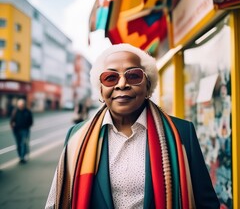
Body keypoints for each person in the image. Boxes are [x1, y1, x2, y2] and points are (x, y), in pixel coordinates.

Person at [45, 43, 219, 208]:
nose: (122, 84)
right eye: (110, 78)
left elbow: (206, 203)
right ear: (100, 90)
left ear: (147, 85)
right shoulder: (76, 136)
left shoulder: (182, 133)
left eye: (133, 75)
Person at [10, 98, 33, 164]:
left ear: (24, 105)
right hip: (16, 130)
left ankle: (23, 157)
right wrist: (12, 125)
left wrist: (27, 126)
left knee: (23, 143)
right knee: (18, 144)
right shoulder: (15, 111)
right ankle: (20, 156)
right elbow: (12, 120)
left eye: (22, 104)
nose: (21, 105)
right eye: (19, 104)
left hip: (25, 130)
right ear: (18, 105)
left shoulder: (27, 111)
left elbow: (31, 121)